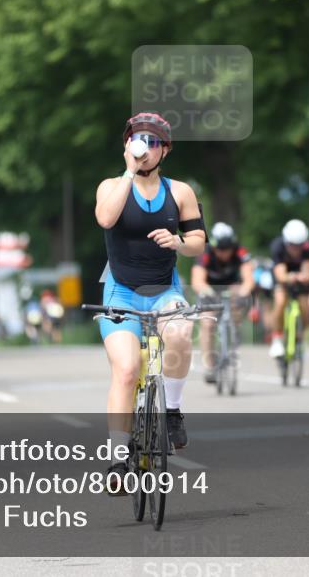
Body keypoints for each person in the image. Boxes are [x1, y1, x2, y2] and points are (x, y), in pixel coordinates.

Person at [94, 112, 206, 494]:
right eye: (137, 139)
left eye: (153, 141)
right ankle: (116, 459)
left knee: (181, 332)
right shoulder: (111, 186)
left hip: (164, 290)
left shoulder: (180, 192)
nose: (144, 147)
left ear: (165, 150)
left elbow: (198, 242)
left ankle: (171, 410)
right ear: (127, 145)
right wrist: (129, 172)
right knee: (126, 370)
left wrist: (178, 242)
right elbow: (105, 218)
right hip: (120, 291)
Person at [190, 222, 254, 382]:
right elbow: (197, 281)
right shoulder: (205, 253)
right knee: (207, 324)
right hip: (210, 288)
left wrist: (244, 291)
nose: (224, 253)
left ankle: (234, 331)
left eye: (227, 249)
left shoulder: (240, 251)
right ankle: (209, 365)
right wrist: (208, 292)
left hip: (231, 287)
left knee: (239, 301)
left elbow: (248, 279)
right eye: (220, 249)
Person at [268, 219, 309, 358]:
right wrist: (291, 277)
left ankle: (299, 337)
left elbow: (308, 270)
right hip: (283, 275)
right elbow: (280, 275)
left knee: (306, 309)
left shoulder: (308, 248)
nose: (296, 249)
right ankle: (277, 339)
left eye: (299, 246)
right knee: (280, 301)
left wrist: (305, 276)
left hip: (299, 276)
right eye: (292, 245)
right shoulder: (278, 246)